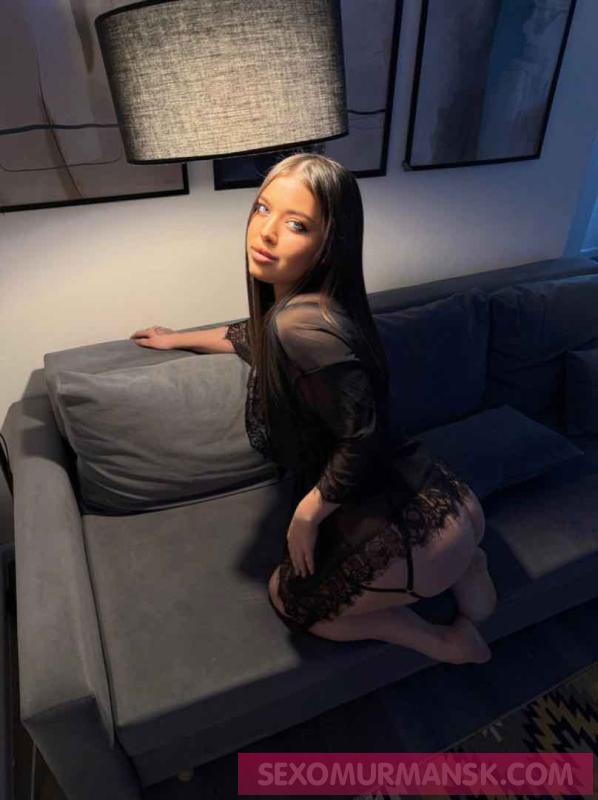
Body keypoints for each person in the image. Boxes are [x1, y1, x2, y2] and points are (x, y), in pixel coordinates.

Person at [131, 153, 497, 664]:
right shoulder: (322, 306)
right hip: (445, 499)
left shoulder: (297, 327)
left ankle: (443, 642)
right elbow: (251, 335)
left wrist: (307, 514)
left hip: (410, 534)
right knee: (476, 599)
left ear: (329, 244)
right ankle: (468, 566)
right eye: (263, 209)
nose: (266, 232)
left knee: (290, 600)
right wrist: (177, 339)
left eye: (296, 224)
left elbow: (361, 436)